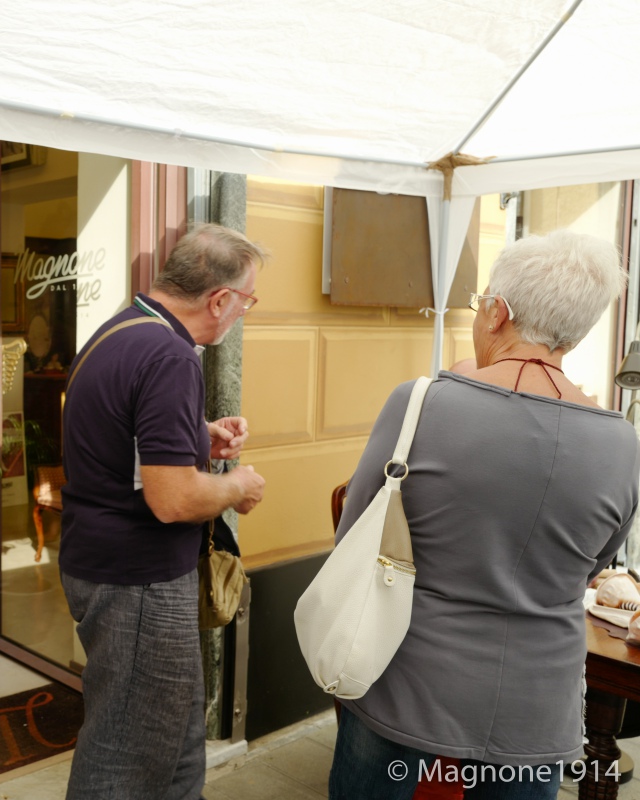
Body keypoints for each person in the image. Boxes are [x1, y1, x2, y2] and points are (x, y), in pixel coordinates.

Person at [328, 230, 640, 800]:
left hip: (405, 679)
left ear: (497, 312)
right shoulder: (623, 443)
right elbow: (594, 563)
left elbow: (355, 532)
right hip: (537, 701)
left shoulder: (419, 404)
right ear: (576, 332)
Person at [59, 223, 269, 800]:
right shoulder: (170, 355)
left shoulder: (124, 330)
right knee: (124, 761)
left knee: (174, 747)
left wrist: (197, 437)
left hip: (114, 572)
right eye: (247, 301)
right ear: (219, 299)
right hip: (139, 584)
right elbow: (172, 499)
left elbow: (119, 440)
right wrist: (236, 486)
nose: (243, 313)